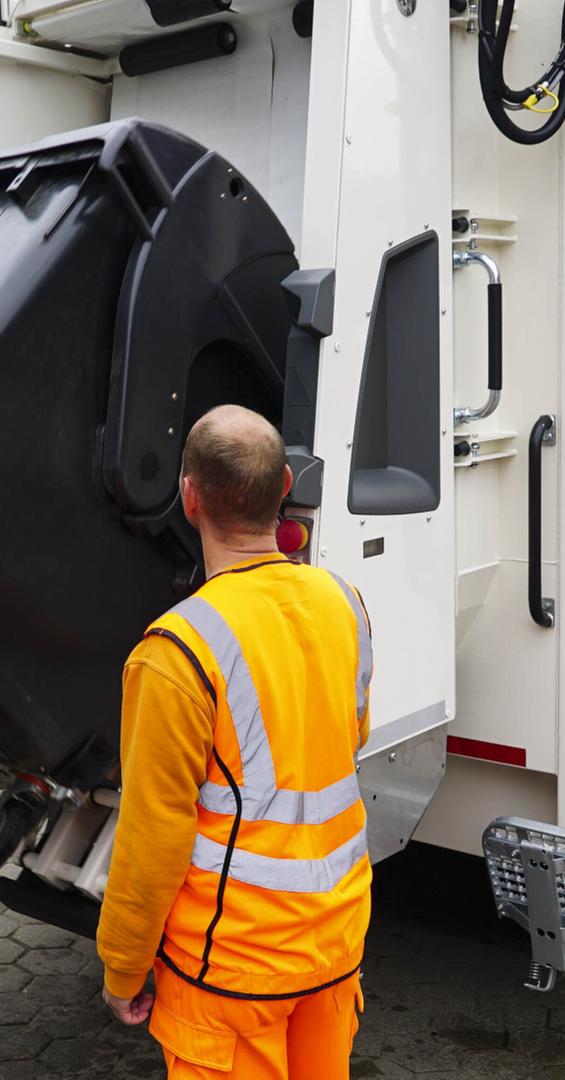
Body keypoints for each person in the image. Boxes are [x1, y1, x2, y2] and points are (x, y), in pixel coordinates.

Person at [97, 405, 373, 1080]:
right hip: (334, 943)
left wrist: (123, 965)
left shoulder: (176, 650)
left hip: (233, 970)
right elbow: (349, 737)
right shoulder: (345, 603)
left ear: (189, 497)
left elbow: (153, 832)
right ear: (284, 484)